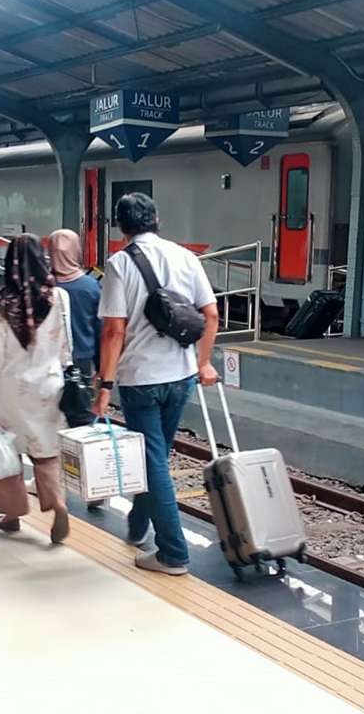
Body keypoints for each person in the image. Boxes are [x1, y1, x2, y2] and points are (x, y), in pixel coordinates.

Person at [93, 193, 220, 576]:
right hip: (181, 376)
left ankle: (173, 553)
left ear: (121, 226)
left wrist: (104, 386)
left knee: (154, 464)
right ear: (157, 219)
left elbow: (115, 330)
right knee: (156, 459)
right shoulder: (185, 256)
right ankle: (136, 526)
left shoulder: (119, 264)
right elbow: (211, 314)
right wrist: (203, 362)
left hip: (140, 379)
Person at [0, 234, 71, 543]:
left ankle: (12, 514)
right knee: (46, 452)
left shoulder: (0, 302)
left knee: (8, 451)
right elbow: (65, 344)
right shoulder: (59, 297)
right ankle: (57, 503)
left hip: (11, 389)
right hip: (48, 384)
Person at [49, 229, 102, 382]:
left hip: (48, 361)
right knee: (81, 403)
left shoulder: (42, 286)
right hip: (83, 358)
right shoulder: (91, 286)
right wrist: (100, 368)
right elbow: (100, 330)